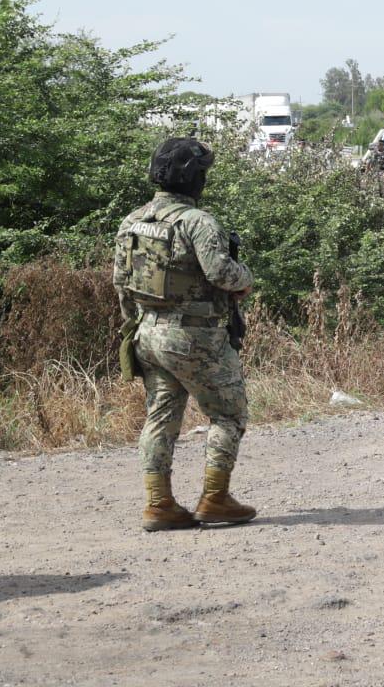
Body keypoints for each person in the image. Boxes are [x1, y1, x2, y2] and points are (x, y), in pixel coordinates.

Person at [113, 137, 257, 531]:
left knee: (160, 417)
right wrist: (246, 278)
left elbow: (121, 284)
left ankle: (159, 505)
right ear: (194, 179)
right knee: (228, 414)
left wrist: (139, 323)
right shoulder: (198, 222)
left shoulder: (132, 221)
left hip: (148, 335)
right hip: (194, 338)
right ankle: (215, 499)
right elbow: (222, 274)